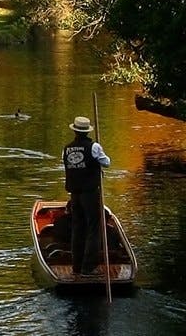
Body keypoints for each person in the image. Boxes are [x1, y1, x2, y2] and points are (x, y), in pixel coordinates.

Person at [62, 116, 112, 275]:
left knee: (78, 228)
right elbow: (107, 163)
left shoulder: (66, 148)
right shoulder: (94, 147)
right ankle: (88, 267)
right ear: (86, 131)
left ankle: (76, 267)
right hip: (89, 193)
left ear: (75, 130)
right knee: (92, 228)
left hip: (74, 194)